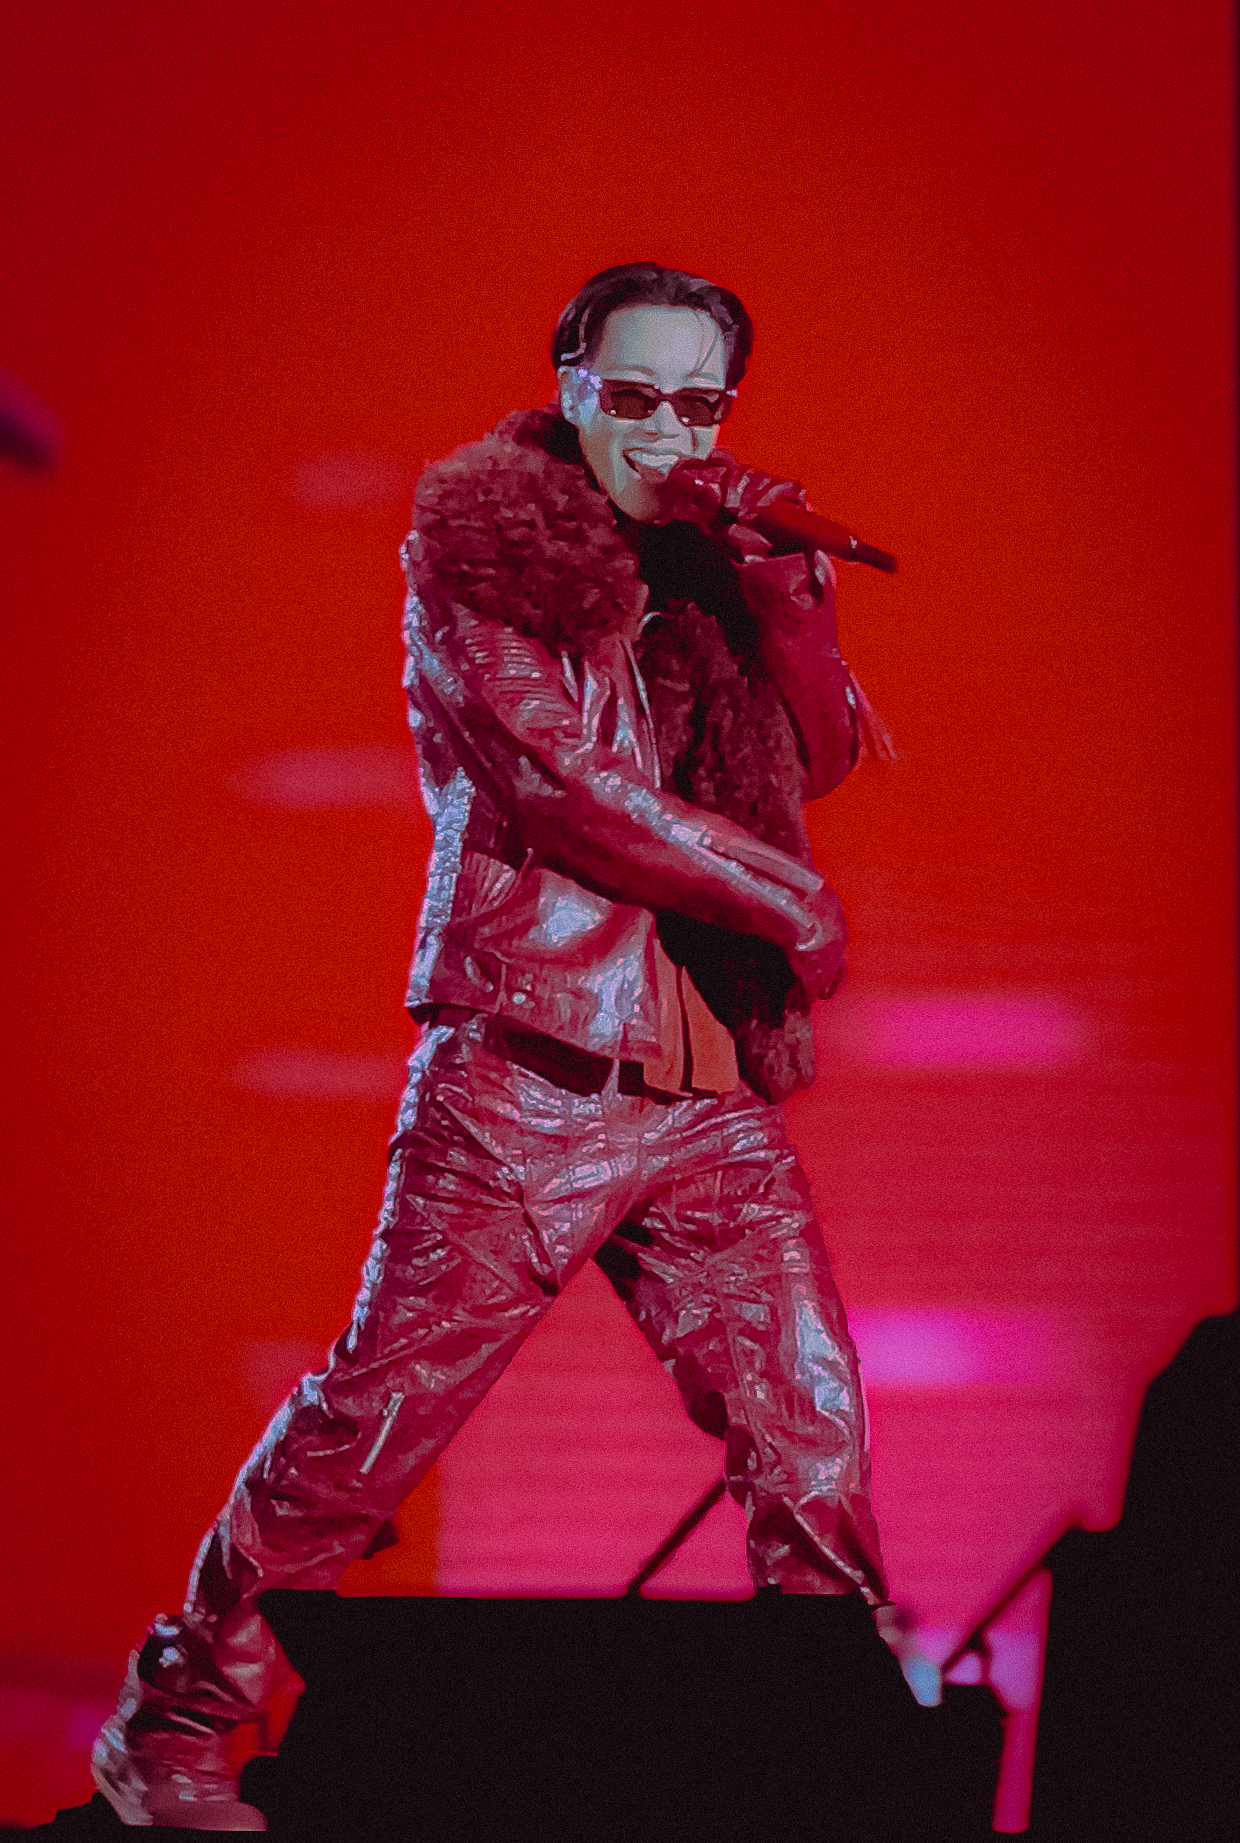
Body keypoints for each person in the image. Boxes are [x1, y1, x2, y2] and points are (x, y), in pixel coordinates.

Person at [92, 262, 890, 1829]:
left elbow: (821, 754)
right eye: (634, 396)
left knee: (811, 1428)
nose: (667, 432)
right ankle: (173, 1723)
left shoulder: (708, 563)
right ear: (572, 384)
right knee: (370, 1431)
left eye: (699, 404)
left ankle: (837, 1753)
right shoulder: (484, 557)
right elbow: (565, 791)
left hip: (706, 1084)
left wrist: (788, 592)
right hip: (530, 1071)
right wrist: (785, 895)